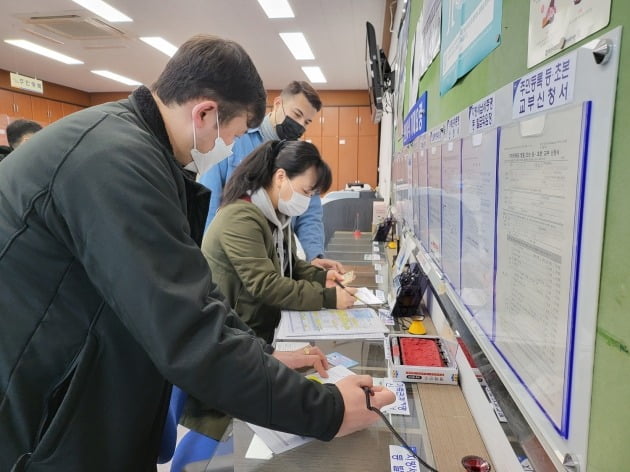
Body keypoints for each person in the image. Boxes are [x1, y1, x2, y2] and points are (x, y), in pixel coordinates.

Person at [0, 34, 394, 472]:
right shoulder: (115, 163)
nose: (229, 149)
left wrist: (264, 358)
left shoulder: (134, 150)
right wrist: (328, 410)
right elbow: (187, 329)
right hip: (44, 424)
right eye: (234, 135)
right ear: (204, 113)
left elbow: (194, 298)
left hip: (87, 391)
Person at [204, 140, 357, 344]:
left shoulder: (277, 216)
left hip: (262, 327)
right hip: (235, 335)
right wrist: (327, 297)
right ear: (281, 177)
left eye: (311, 195)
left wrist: (322, 277)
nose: (307, 200)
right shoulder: (240, 217)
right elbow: (265, 284)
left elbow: (288, 265)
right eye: (305, 192)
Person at [199, 80, 343, 271]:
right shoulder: (234, 138)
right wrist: (206, 257)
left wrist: (314, 254)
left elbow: (310, 213)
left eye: (307, 122)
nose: (300, 125)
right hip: (233, 253)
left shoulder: (301, 159)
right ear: (277, 104)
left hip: (275, 256)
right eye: (297, 114)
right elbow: (208, 200)